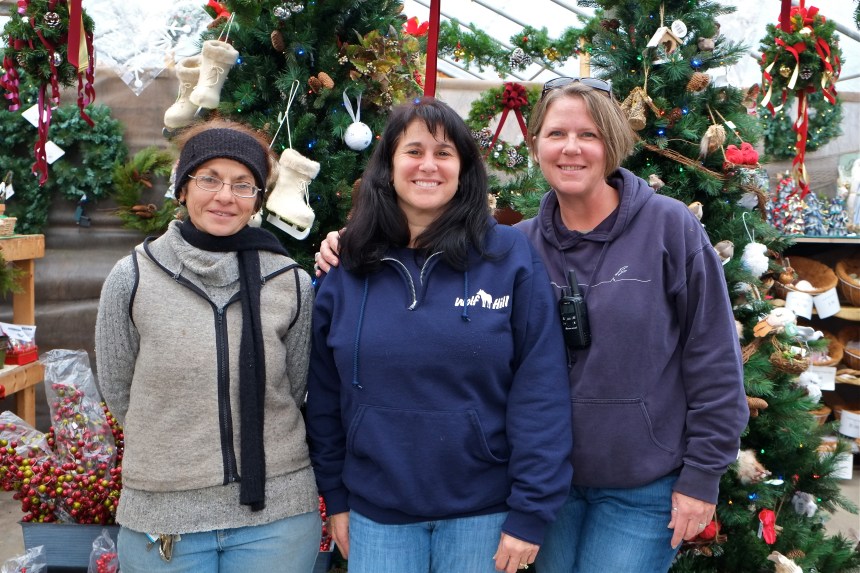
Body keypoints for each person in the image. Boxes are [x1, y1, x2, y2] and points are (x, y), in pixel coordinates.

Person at [315, 79, 749, 572]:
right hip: (546, 488)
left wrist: (702, 475)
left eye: (588, 135)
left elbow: (712, 357)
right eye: (556, 134)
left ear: (613, 142)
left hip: (640, 480)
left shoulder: (668, 227)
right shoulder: (516, 245)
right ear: (535, 144)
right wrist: (345, 242)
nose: (570, 148)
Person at [304, 97, 573, 573]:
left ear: (464, 170)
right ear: (388, 165)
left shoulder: (508, 256)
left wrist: (531, 512)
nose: (428, 165)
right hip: (376, 514)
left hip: (484, 515)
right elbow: (324, 397)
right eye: (413, 151)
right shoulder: (347, 263)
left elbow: (541, 390)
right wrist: (337, 498)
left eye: (444, 153)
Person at [95, 118, 321, 572]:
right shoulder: (133, 277)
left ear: (257, 200)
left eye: (243, 185)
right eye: (209, 179)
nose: (224, 196)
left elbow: (294, 389)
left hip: (275, 518)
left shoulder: (290, 283)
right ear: (182, 188)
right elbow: (119, 389)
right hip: (163, 516)